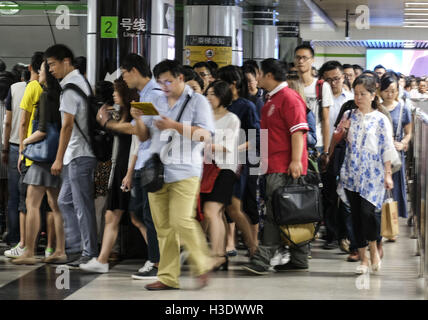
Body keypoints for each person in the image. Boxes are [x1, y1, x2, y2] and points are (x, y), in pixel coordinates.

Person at [132, 59, 214, 290]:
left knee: (181, 220)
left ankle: (203, 263)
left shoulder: (198, 102)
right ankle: (168, 277)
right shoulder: (154, 100)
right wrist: (138, 118)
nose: (164, 86)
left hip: (185, 169)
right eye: (160, 82)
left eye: (168, 81)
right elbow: (143, 136)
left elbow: (205, 136)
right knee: (163, 227)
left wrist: (174, 126)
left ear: (180, 78)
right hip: (156, 171)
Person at [96, 53, 163, 279]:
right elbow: (142, 131)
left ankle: (157, 262)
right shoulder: (147, 95)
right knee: (142, 213)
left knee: (150, 217)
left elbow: (140, 132)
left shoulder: (153, 95)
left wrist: (109, 124)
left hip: (154, 163)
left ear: (133, 70)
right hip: (146, 162)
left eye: (124, 74)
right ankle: (158, 260)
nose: (123, 80)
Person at [242, 58, 309, 274]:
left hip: (285, 167)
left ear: (269, 75)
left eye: (260, 74)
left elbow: (297, 131)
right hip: (272, 165)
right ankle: (299, 258)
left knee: (274, 213)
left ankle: (262, 259)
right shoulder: (271, 100)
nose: (257, 78)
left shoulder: (289, 98)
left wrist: (296, 161)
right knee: (291, 213)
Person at [46, 44, 98, 268]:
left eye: (52, 64)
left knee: (81, 205)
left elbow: (67, 126)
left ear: (66, 61)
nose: (50, 70)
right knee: (65, 200)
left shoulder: (69, 89)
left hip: (78, 154)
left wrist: (57, 159)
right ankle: (77, 247)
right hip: (78, 154)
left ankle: (88, 251)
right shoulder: (81, 82)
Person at [79, 78, 139, 273]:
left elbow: (136, 138)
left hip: (129, 169)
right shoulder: (121, 113)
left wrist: (107, 124)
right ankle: (102, 259)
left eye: (117, 91)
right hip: (120, 168)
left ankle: (158, 260)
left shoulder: (136, 112)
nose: (113, 94)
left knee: (137, 217)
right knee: (112, 214)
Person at [337, 74, 395, 275]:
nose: (358, 97)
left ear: (372, 95)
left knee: (368, 213)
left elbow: (386, 147)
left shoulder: (380, 119)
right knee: (355, 216)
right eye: (356, 93)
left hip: (374, 173)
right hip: (352, 171)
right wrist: (342, 132)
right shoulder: (349, 115)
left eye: (362, 93)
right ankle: (363, 258)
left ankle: (374, 249)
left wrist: (388, 174)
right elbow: (336, 139)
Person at [11, 61, 65, 265]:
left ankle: (30, 251)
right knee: (56, 205)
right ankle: (60, 249)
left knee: (31, 203)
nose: (39, 74)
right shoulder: (60, 95)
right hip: (55, 156)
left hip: (41, 158)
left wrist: (24, 142)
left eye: (42, 70)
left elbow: (42, 130)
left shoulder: (45, 96)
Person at [4, 52, 44, 259]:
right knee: (45, 202)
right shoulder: (50, 89)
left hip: (20, 148)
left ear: (30, 68)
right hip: (44, 151)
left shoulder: (20, 89)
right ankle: (44, 244)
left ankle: (18, 241)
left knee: (19, 199)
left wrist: (13, 149)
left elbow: (12, 122)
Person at [217, 65, 260, 257]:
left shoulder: (246, 106)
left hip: (238, 164)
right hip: (218, 162)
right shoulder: (220, 105)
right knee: (220, 208)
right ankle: (221, 248)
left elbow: (256, 138)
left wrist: (234, 148)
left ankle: (253, 247)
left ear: (233, 84)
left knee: (234, 207)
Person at [202, 80, 240, 271]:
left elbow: (227, 147)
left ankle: (217, 254)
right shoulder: (204, 117)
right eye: (207, 94)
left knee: (211, 210)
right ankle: (220, 255)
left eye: (213, 94)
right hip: (206, 168)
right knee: (213, 213)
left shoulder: (231, 119)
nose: (209, 97)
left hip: (225, 168)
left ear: (223, 96)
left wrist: (203, 144)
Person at [320, 61, 354, 251]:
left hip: (344, 152)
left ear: (344, 78)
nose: (333, 83)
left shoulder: (350, 99)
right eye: (328, 80)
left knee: (346, 196)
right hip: (324, 149)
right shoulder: (320, 100)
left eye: (336, 79)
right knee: (329, 194)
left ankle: (345, 234)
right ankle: (331, 234)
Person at [379, 74, 412, 223]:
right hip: (379, 153)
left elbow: (409, 132)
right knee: (380, 188)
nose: (390, 94)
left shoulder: (403, 108)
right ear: (380, 91)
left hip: (396, 155)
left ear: (398, 91)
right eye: (386, 90)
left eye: (393, 90)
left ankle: (393, 224)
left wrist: (403, 142)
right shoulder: (376, 108)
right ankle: (379, 222)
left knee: (396, 189)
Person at [294, 44, 333, 165]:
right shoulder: (291, 86)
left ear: (312, 60)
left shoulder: (322, 86)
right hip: (295, 142)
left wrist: (326, 150)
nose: (301, 61)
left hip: (317, 145)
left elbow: (326, 120)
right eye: (298, 57)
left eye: (305, 58)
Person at [1, 70, 27, 245]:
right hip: (34, 147)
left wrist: (5, 147)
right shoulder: (43, 88)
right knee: (30, 197)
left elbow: (8, 122)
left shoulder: (14, 89)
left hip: (14, 145)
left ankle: (13, 235)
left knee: (13, 196)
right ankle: (30, 237)